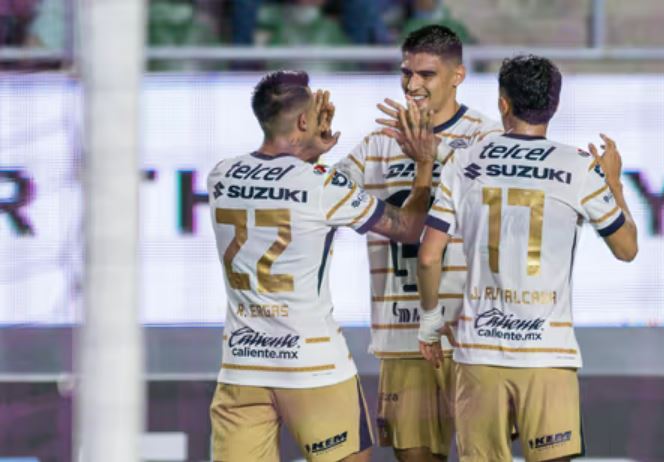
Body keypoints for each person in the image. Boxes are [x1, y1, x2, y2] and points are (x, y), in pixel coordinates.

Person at [207, 70, 437, 462]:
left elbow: (280, 181)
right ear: (302, 122)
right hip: (313, 367)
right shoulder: (321, 184)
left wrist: (311, 153)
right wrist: (424, 165)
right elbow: (410, 227)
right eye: (315, 112)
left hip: (242, 369)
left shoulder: (220, 175)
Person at [417, 55, 638, 462]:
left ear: (503, 103)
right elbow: (627, 249)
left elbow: (429, 256)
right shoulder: (579, 167)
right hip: (547, 355)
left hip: (479, 352)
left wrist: (430, 323)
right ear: (554, 104)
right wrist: (616, 185)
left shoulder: (464, 162)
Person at [333, 24, 501, 461]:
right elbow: (322, 196)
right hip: (401, 335)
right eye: (406, 72)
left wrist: (433, 158)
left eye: (426, 74)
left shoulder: (487, 138)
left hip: (470, 334)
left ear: (457, 75)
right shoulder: (375, 145)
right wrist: (312, 155)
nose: (412, 84)